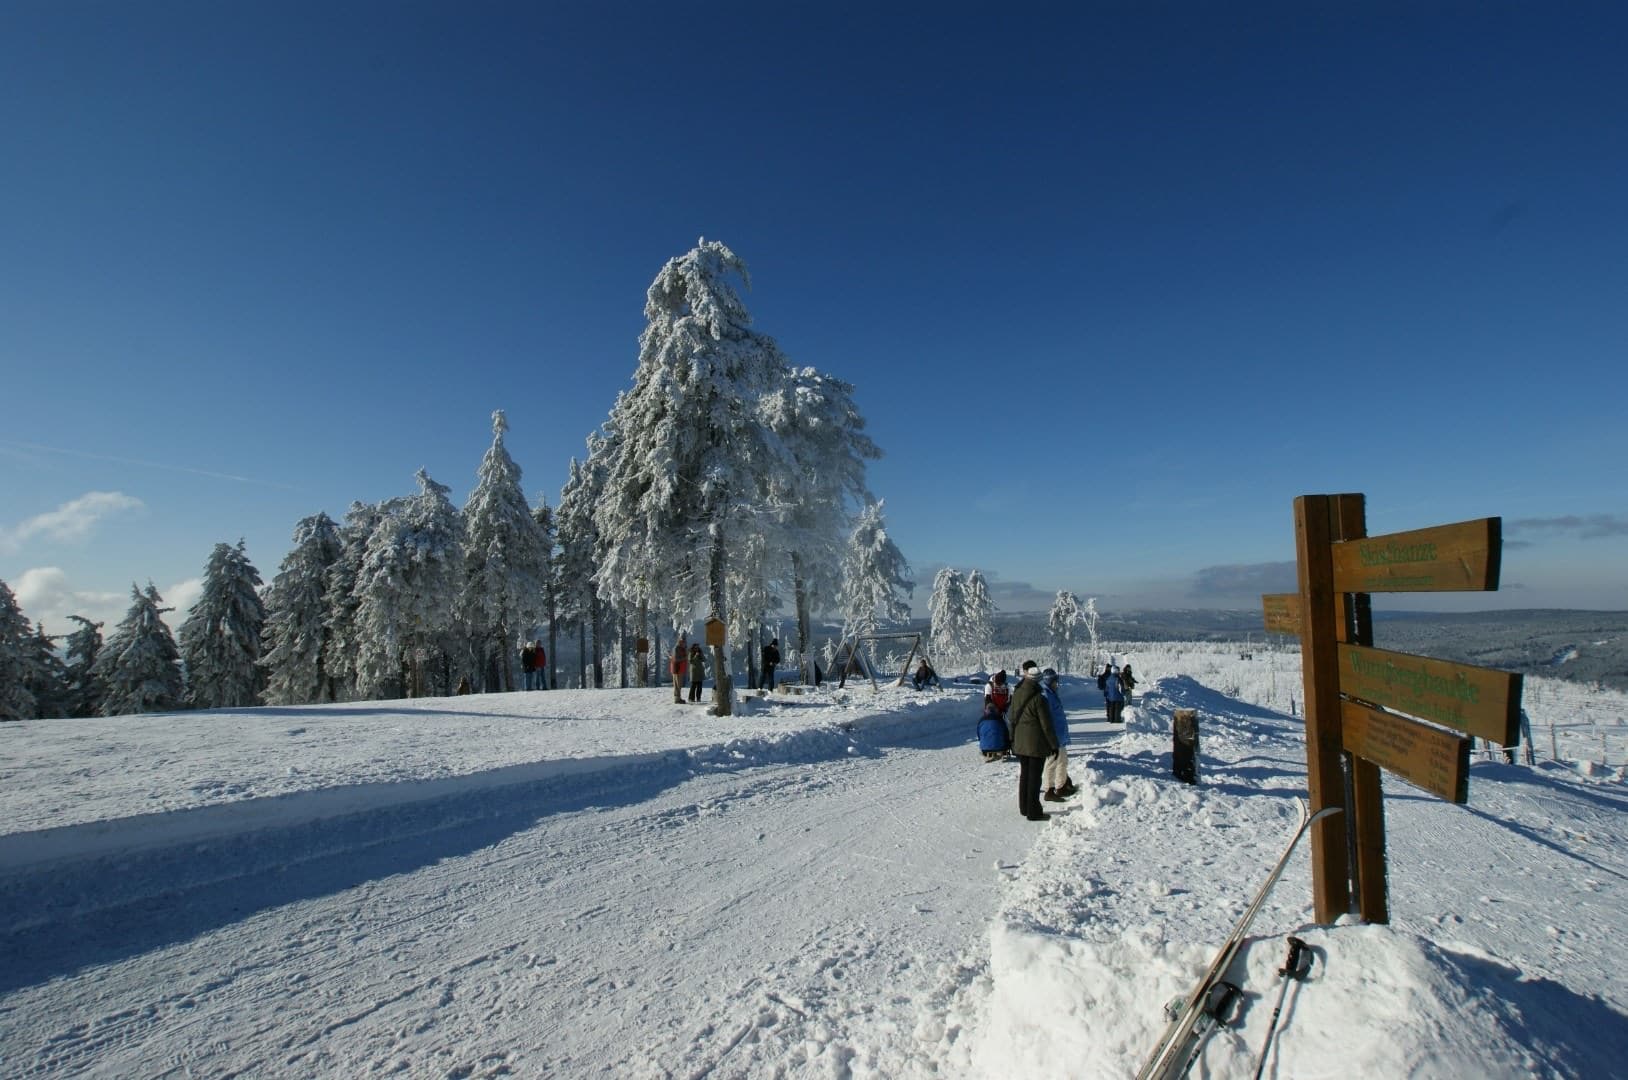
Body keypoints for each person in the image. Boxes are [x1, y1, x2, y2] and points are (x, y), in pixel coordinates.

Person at [1009, 660, 1059, 821]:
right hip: (1036, 742)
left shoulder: (1017, 692)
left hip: (1020, 741)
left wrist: (1012, 738)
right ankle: (1034, 811)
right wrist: (1053, 744)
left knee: (1024, 775)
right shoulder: (1039, 698)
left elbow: (1011, 717)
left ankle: (1023, 807)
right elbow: (1046, 724)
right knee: (1034, 778)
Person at [1041, 668, 1076, 801]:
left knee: (1062, 760)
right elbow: (1046, 717)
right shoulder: (1046, 695)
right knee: (1052, 762)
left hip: (1059, 734)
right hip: (1053, 736)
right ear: (1050, 681)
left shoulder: (1052, 693)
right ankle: (1049, 789)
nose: (1057, 684)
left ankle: (1061, 786)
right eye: (1055, 681)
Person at [670, 636, 688, 704]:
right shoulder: (677, 648)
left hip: (679, 668)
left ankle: (678, 698)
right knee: (677, 685)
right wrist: (685, 658)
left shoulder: (680, 648)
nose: (683, 643)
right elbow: (676, 659)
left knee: (678, 684)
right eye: (682, 642)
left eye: (683, 642)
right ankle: (677, 699)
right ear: (679, 642)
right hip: (677, 669)